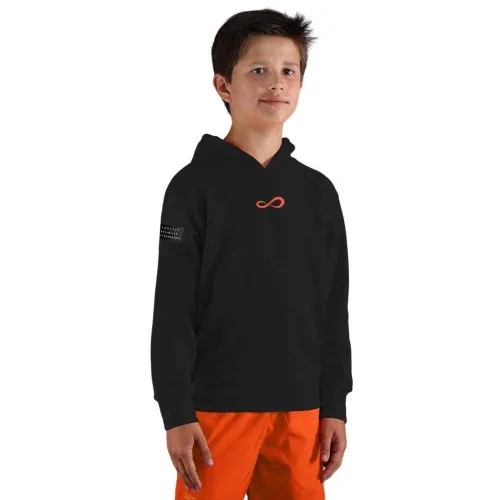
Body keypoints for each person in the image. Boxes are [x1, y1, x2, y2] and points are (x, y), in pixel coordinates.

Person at [150, 8, 353, 499]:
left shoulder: (317, 192)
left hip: (301, 410)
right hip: (216, 408)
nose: (276, 83)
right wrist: (176, 412)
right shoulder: (193, 187)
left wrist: (334, 405)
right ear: (223, 85)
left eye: (289, 70)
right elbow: (173, 307)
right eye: (258, 70)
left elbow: (332, 308)